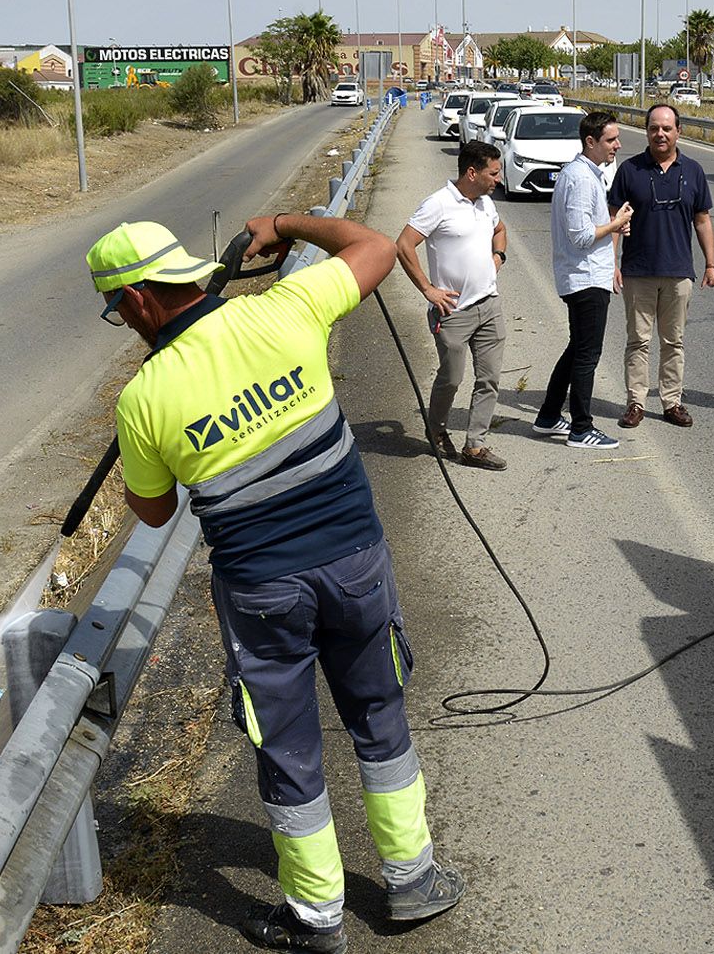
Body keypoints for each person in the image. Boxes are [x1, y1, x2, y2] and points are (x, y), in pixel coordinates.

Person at [86, 216, 462, 953]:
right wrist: (288, 224)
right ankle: (413, 878)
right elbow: (379, 248)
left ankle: (317, 919)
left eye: (115, 309)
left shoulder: (143, 398)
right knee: (380, 715)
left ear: (135, 301)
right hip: (355, 561)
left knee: (288, 749)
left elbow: (155, 511)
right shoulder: (285, 308)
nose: (121, 323)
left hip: (263, 593)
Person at [395, 140, 510, 470]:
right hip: (453, 312)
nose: (497, 179)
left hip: (489, 305)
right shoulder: (439, 204)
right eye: (493, 173)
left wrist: (498, 255)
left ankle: (475, 445)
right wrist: (429, 290)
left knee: (489, 379)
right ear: (472, 173)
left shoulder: (486, 204)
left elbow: (499, 230)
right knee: (451, 378)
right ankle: (437, 429)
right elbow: (404, 245)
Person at [607, 103, 714, 429]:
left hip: (678, 271)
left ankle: (672, 402)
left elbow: (702, 220)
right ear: (647, 132)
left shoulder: (694, 171)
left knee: (673, 341)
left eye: (667, 128)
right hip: (638, 271)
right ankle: (636, 403)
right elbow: (615, 218)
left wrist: (711, 264)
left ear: (678, 132)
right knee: (638, 341)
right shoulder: (630, 170)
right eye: (654, 128)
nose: (660, 134)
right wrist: (611, 263)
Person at [532, 110, 634, 449]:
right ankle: (581, 428)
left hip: (588, 275)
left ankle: (548, 415)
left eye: (617, 138)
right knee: (588, 355)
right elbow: (580, 236)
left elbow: (591, 228)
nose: (617, 145)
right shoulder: (580, 178)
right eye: (610, 140)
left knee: (577, 349)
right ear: (590, 142)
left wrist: (612, 225)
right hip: (585, 278)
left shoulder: (586, 174)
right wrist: (615, 224)